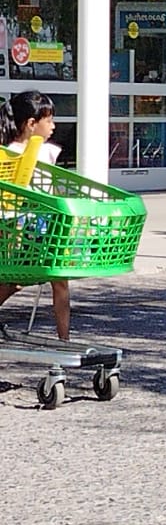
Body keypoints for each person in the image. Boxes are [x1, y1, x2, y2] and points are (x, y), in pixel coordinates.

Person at [0, 90, 71, 341]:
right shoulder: (11, 154)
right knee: (17, 280)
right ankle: (64, 341)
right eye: (49, 120)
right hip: (21, 226)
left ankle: (65, 341)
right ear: (32, 124)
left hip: (41, 224)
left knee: (57, 279)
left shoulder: (44, 151)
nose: (53, 126)